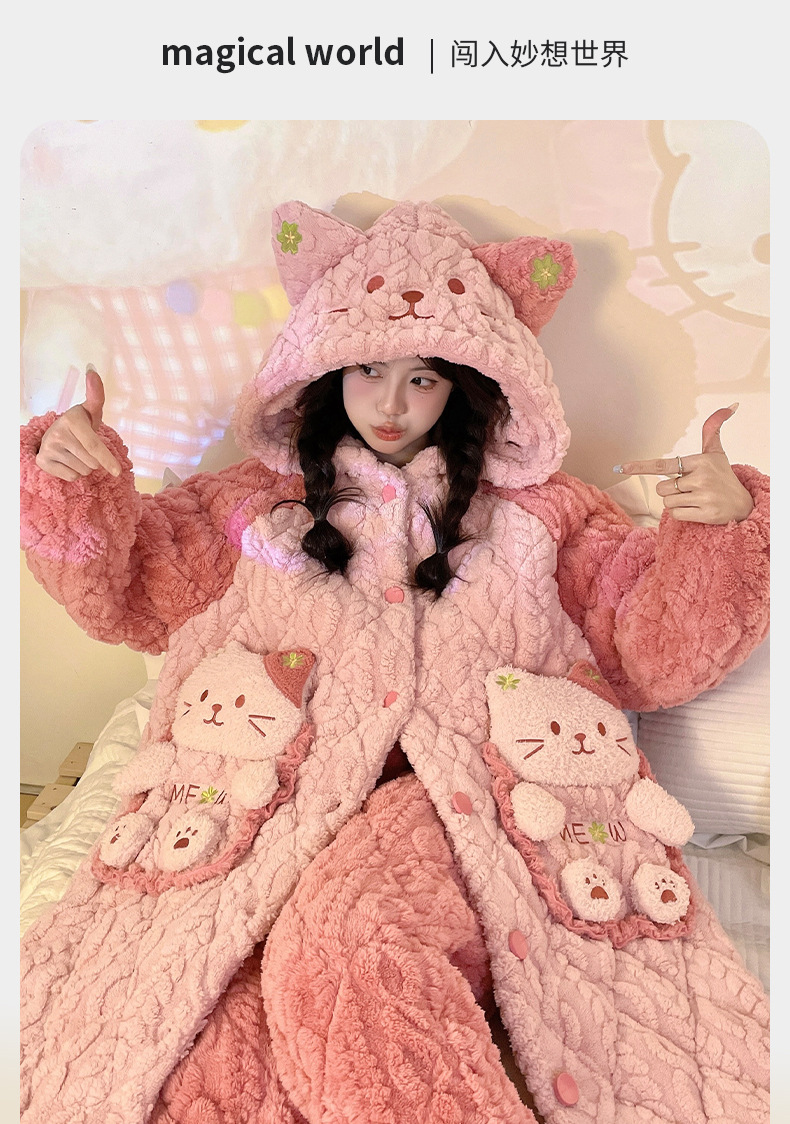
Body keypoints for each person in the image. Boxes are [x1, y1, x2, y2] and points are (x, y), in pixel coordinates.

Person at [20, 200, 769, 1124]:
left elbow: (656, 654)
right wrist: (76, 487)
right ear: (327, 369)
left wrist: (718, 536)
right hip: (273, 799)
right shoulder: (250, 506)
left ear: (467, 385)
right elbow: (126, 592)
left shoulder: (547, 516)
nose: (390, 404)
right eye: (369, 370)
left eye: (423, 378)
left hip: (461, 800)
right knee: (214, 1041)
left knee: (356, 948)